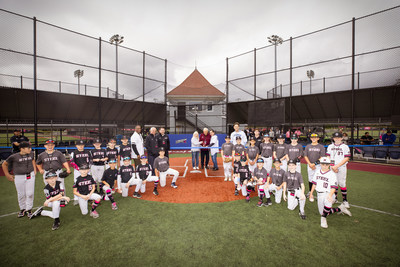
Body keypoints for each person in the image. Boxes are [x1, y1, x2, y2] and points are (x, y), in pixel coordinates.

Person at [309, 157, 352, 228]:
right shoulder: (317, 172)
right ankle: (340, 208)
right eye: (323, 164)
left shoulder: (332, 174)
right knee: (323, 212)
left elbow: (333, 187)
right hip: (319, 194)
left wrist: (330, 195)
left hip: (328, 193)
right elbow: (314, 183)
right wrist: (311, 193)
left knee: (327, 203)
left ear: (329, 165)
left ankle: (323, 219)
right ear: (320, 164)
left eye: (326, 164)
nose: (324, 166)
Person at [2, 141, 36, 218]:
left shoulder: (31, 154)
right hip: (19, 176)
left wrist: (34, 170)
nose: (30, 149)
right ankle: (22, 209)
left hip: (30, 175)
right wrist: (7, 174)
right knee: (21, 194)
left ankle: (29, 209)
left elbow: (33, 160)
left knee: (30, 193)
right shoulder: (14, 156)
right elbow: (4, 164)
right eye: (28, 148)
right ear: (22, 149)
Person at [326, 132, 351, 208]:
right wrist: (332, 166)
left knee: (342, 184)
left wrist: (337, 166)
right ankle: (335, 198)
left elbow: (346, 158)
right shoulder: (330, 146)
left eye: (338, 137)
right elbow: (328, 157)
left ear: (341, 138)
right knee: (334, 183)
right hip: (332, 167)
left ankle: (345, 200)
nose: (337, 139)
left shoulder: (345, 146)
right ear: (333, 138)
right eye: (335, 137)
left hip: (341, 167)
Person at [70, 140, 92, 205]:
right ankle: (76, 198)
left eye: (82, 145)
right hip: (78, 171)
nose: (81, 146)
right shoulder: (73, 153)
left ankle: (88, 196)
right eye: (79, 145)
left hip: (87, 170)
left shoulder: (88, 152)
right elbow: (72, 162)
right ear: (76, 146)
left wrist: (88, 168)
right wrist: (79, 169)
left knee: (88, 182)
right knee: (77, 183)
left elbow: (90, 161)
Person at [303, 133, 325, 197]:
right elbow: (305, 156)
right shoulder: (308, 146)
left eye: (315, 137)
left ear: (318, 138)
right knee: (310, 178)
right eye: (312, 137)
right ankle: (310, 191)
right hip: (310, 164)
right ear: (310, 138)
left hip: (318, 165)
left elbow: (322, 157)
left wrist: (314, 164)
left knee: (319, 178)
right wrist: (310, 164)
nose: (314, 139)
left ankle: (319, 192)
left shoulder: (321, 146)